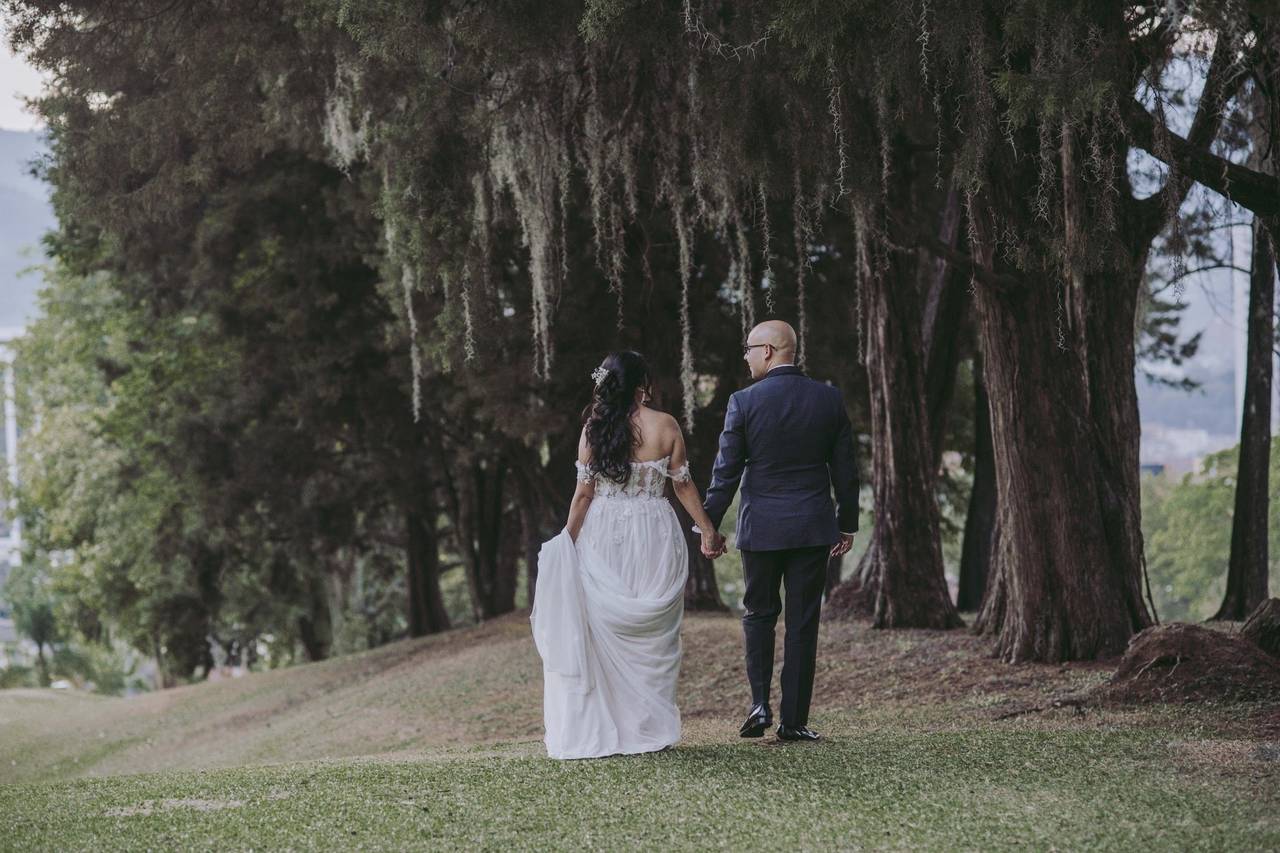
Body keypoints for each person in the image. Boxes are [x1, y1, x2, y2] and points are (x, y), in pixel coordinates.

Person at [530, 350, 725, 759]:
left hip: (603, 532)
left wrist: (568, 539)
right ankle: (646, 728)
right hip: (654, 532)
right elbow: (683, 487)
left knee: (605, 628)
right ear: (643, 383)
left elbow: (583, 496)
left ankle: (614, 726)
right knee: (653, 634)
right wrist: (707, 530)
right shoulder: (665, 425)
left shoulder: (593, 428)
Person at [702, 320, 860, 742]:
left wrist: (708, 526)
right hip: (812, 526)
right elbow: (846, 470)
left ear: (769, 351)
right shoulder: (828, 399)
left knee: (758, 615)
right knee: (803, 623)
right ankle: (793, 720)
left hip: (762, 528)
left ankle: (758, 704)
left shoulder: (743, 401)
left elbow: (725, 473)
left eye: (750, 348)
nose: (746, 355)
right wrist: (848, 524)